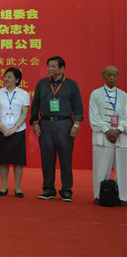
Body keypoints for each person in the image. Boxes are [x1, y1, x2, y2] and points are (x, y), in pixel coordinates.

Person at [30, 56, 83, 202]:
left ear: (62, 68)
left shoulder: (71, 84)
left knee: (66, 159)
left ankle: (66, 191)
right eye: (49, 66)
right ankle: (48, 189)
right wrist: (35, 122)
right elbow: (35, 104)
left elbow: (78, 106)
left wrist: (76, 124)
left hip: (64, 124)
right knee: (47, 159)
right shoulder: (42, 83)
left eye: (54, 66)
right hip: (45, 124)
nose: (50, 69)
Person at [89, 66, 127, 206]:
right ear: (103, 76)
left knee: (123, 168)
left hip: (121, 137)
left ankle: (122, 196)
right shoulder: (96, 94)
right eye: (109, 75)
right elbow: (94, 116)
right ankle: (99, 195)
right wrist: (107, 131)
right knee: (101, 168)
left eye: (115, 75)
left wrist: (118, 130)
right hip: (102, 137)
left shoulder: (124, 95)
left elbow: (126, 116)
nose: (112, 78)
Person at [0, 67, 30, 198]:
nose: (6, 79)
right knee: (3, 160)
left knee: (18, 161)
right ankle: (4, 186)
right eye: (5, 76)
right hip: (2, 130)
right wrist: (3, 128)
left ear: (17, 80)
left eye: (9, 77)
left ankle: (18, 187)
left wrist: (14, 128)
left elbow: (25, 113)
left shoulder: (24, 94)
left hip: (18, 130)